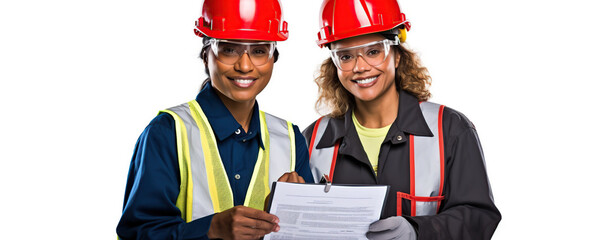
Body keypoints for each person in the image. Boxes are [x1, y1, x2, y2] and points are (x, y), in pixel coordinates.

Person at [304, 0, 501, 239]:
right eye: (345, 56)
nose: (360, 67)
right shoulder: (313, 140)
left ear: (397, 56)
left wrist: (417, 231)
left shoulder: (449, 129)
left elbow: (478, 217)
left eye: (373, 51)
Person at [116, 0, 313, 239]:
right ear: (205, 55)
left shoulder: (290, 138)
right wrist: (211, 230)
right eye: (229, 49)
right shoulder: (169, 132)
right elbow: (137, 234)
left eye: (259, 51)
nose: (245, 65)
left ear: (273, 58)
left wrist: (289, 214)